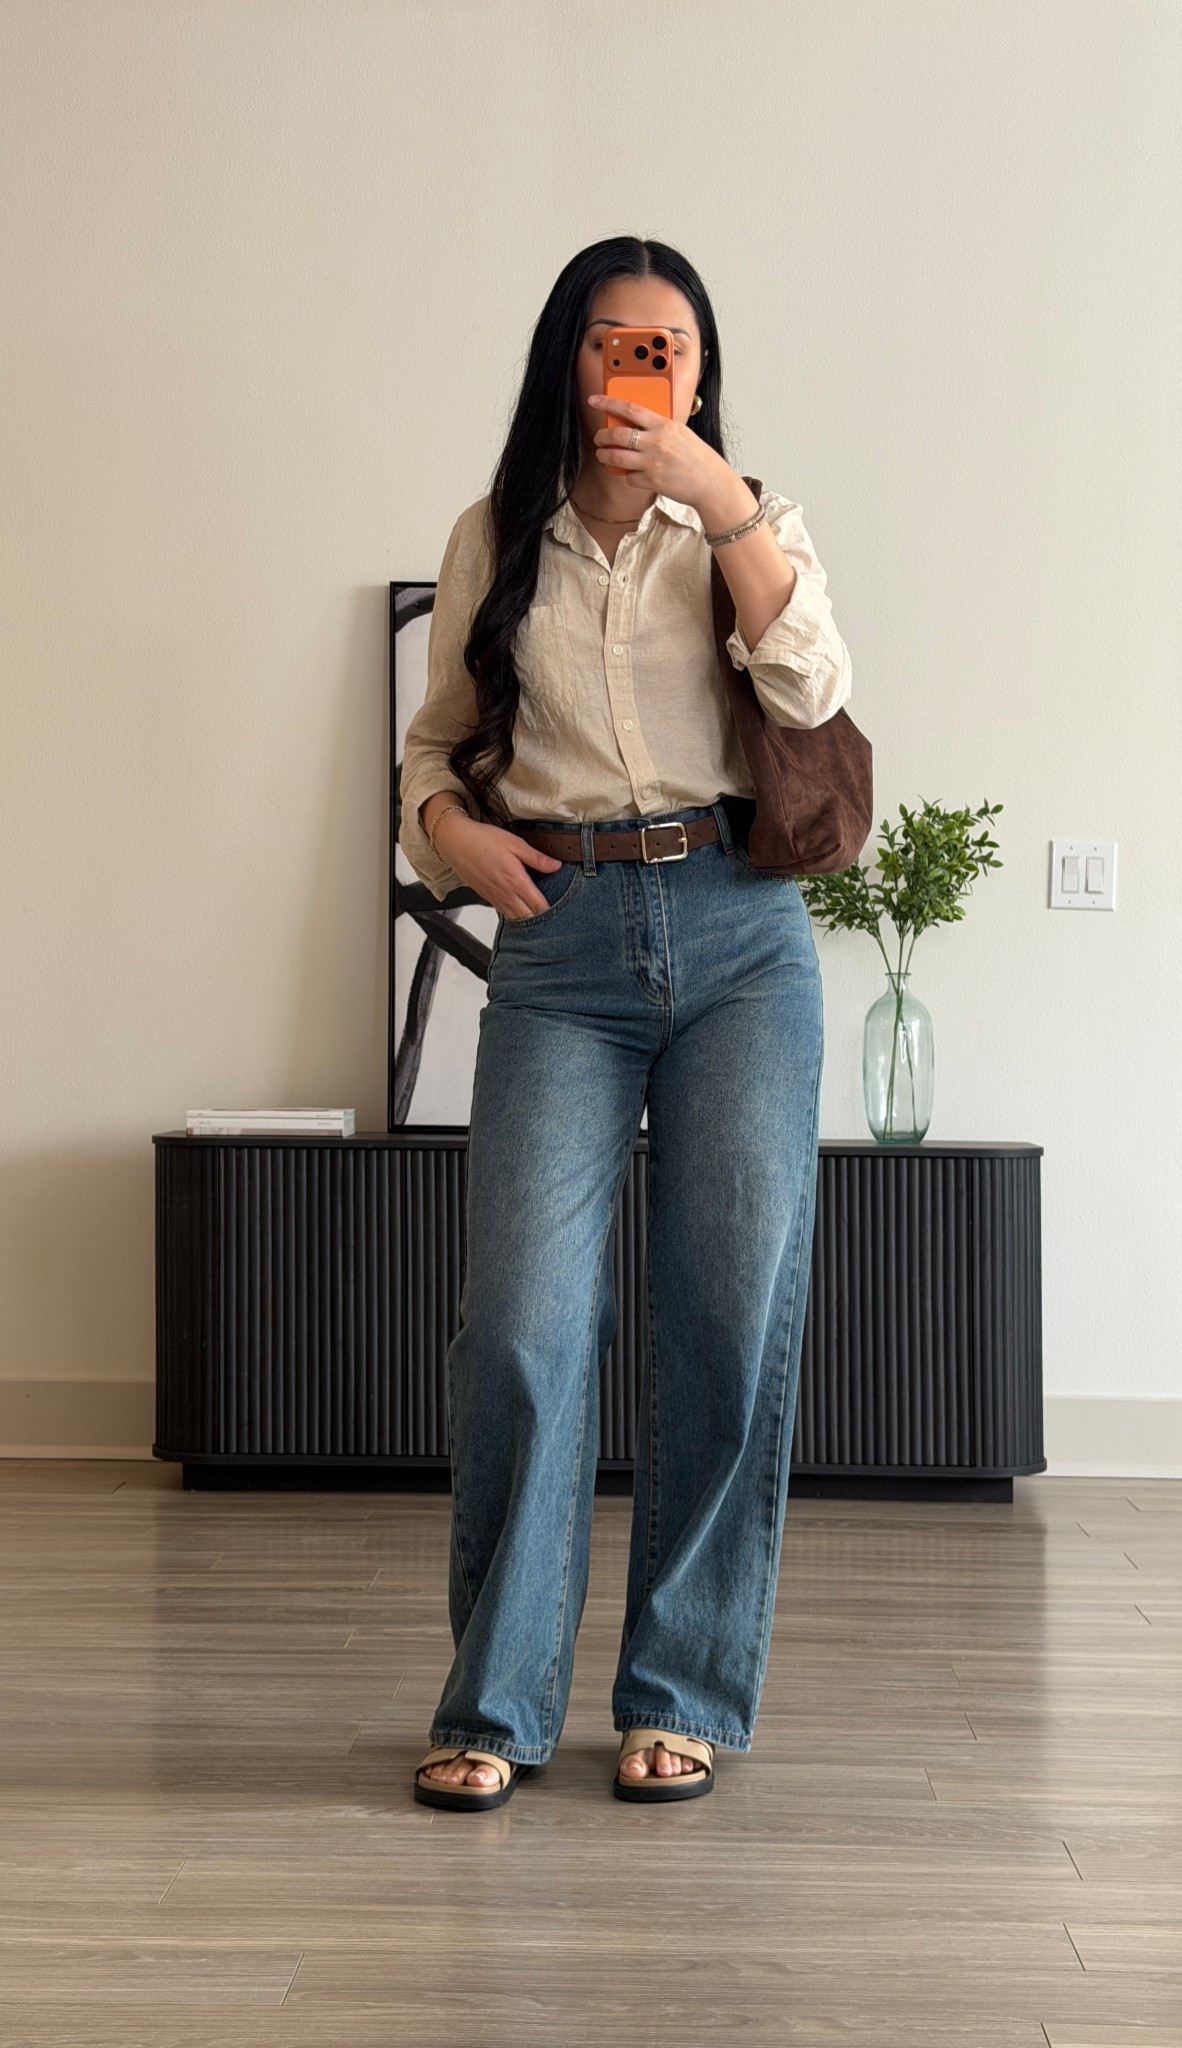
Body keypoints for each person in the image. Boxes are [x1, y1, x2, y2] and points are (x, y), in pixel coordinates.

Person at [398, 235, 852, 1811]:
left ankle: (680, 1693)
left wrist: (718, 501)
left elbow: (809, 692)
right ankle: (495, 1703)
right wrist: (445, 835)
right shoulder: (494, 536)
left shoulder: (748, 524)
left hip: (739, 935)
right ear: (565, 363)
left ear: (701, 373)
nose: (635, 371)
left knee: (727, 1318)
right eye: (610, 344)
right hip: (560, 941)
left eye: (667, 347)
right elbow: (436, 750)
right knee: (520, 1325)